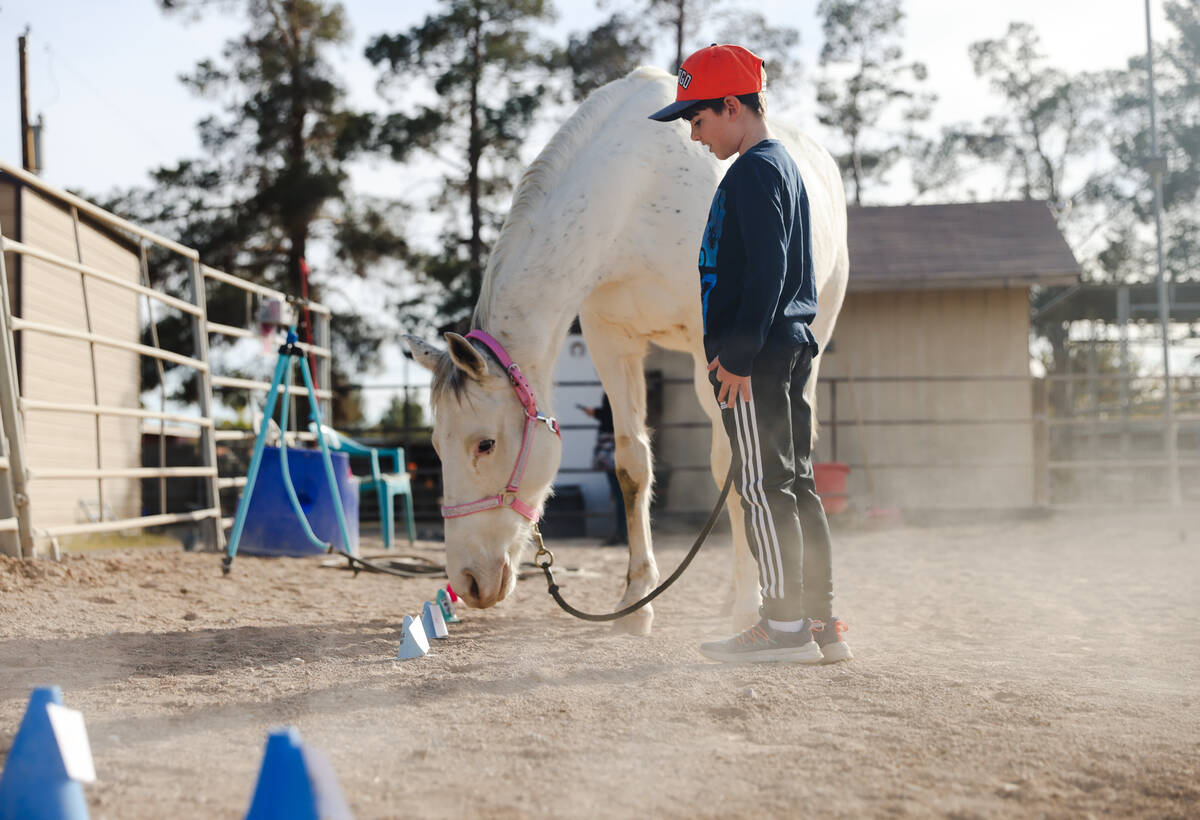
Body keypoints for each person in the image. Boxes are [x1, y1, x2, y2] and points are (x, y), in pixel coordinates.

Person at [649, 44, 852, 664]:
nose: (693, 132)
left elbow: (770, 271)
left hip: (755, 360)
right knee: (794, 485)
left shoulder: (754, 171)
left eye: (698, 119)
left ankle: (783, 627)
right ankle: (821, 621)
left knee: (763, 491)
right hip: (784, 349)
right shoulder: (779, 166)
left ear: (731, 106)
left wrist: (736, 355)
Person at [580, 394, 628, 546]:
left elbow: (610, 416)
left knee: (620, 494)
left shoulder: (612, 390)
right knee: (621, 494)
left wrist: (596, 413)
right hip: (618, 444)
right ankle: (623, 532)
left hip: (611, 446)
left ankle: (622, 532)